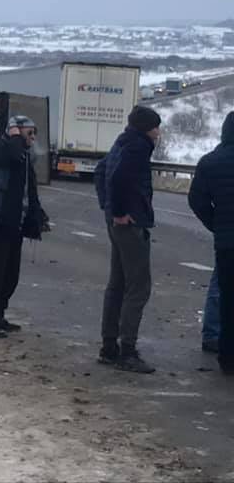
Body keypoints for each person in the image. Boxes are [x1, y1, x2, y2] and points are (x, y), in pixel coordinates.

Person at [94, 105, 161, 373]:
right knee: (138, 287)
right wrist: (120, 212)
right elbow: (119, 178)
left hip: (117, 223)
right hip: (130, 224)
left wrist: (109, 208)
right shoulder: (137, 147)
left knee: (117, 285)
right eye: (156, 126)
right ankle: (127, 351)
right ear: (146, 128)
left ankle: (109, 346)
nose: (158, 132)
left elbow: (101, 172)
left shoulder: (121, 142)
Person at [0, 114, 49, 337]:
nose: (33, 138)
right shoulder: (0, 147)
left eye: (34, 133)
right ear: (15, 131)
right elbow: (12, 157)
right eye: (29, 133)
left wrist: (38, 214)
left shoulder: (24, 156)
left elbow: (30, 188)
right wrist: (16, 137)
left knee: (10, 274)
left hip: (15, 220)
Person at [187, 111, 234, 374]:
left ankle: (227, 358)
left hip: (227, 243)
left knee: (227, 299)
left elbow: (196, 200)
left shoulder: (210, 162)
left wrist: (216, 224)